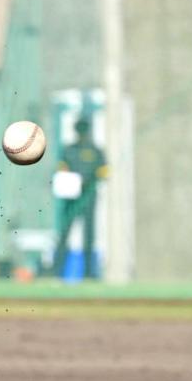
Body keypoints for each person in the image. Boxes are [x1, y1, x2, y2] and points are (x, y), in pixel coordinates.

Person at [52, 117, 107, 280]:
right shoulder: (69, 150)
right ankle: (58, 271)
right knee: (64, 233)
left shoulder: (96, 150)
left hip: (89, 197)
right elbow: (62, 169)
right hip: (71, 199)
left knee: (89, 235)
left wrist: (91, 180)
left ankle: (89, 273)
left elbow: (104, 170)